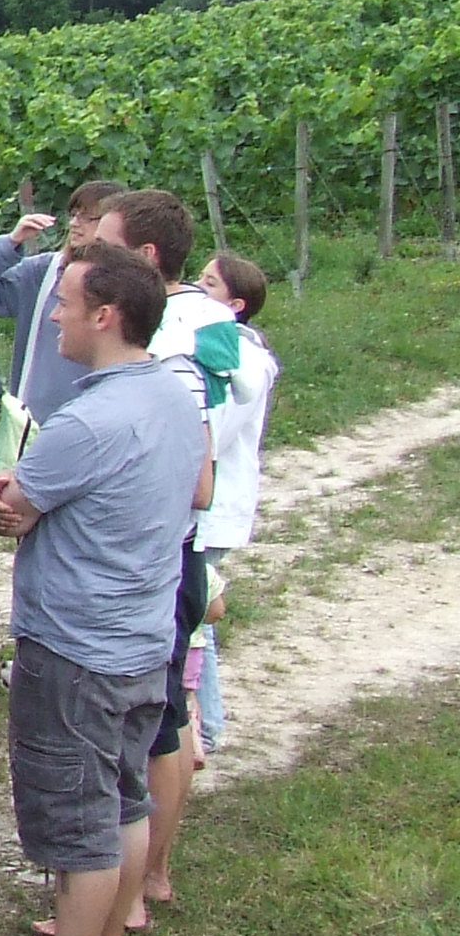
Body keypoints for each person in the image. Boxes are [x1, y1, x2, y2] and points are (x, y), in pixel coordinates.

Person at [0, 243, 202, 936]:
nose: (56, 318)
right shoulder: (171, 394)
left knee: (77, 819)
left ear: (106, 315)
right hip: (144, 634)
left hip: (76, 646)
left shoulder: (89, 421)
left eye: (65, 304)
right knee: (124, 799)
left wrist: (4, 493)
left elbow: (16, 506)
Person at [93, 189, 228, 913]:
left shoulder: (168, 351)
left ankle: (141, 883)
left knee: (158, 728)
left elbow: (196, 480)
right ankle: (135, 885)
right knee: (157, 719)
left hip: (157, 555)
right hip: (167, 553)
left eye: (103, 246)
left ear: (143, 259)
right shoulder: (197, 329)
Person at [189, 251, 280, 756]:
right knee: (194, 608)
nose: (196, 290)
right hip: (209, 502)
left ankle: (207, 723)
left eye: (209, 284)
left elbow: (215, 433)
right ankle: (204, 719)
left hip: (214, 505)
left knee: (197, 611)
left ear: (235, 304)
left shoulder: (244, 359)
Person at [0, 180, 125, 428]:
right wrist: (11, 243)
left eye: (87, 218)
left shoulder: (129, 283)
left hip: (98, 424)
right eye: (73, 215)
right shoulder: (45, 271)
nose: (75, 224)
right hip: (34, 425)